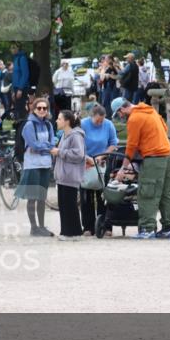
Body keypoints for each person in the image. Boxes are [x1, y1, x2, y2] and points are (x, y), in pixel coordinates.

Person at [113, 97, 170, 239]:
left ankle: (147, 229)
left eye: (119, 114)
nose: (120, 116)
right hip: (167, 154)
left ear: (122, 109)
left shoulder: (134, 118)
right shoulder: (150, 110)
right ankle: (167, 227)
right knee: (167, 192)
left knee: (148, 192)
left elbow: (131, 145)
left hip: (153, 157)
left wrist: (123, 168)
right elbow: (164, 128)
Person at [15, 96, 56, 237]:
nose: (42, 110)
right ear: (34, 109)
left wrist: (45, 147)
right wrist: (47, 148)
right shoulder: (28, 125)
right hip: (32, 165)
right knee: (32, 197)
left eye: (45, 108)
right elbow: (33, 145)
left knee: (42, 197)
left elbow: (52, 143)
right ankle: (34, 227)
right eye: (39, 108)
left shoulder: (49, 125)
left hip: (45, 164)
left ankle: (42, 226)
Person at [79, 105, 118, 235]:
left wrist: (103, 155)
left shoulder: (108, 125)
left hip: (103, 162)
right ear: (92, 116)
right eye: (97, 121)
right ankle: (88, 227)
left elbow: (113, 143)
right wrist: (86, 159)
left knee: (104, 195)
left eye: (102, 120)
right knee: (86, 196)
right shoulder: (83, 124)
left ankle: (105, 226)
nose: (100, 123)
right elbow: (77, 143)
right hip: (86, 162)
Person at [51, 109, 86, 241]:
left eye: (59, 119)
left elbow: (78, 154)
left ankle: (74, 232)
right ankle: (66, 231)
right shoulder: (64, 135)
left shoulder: (76, 135)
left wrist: (59, 152)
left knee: (70, 205)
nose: (57, 120)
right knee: (64, 204)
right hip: (62, 176)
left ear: (67, 121)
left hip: (70, 176)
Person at [11, 43, 30, 119]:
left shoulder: (22, 58)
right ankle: (19, 126)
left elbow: (25, 74)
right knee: (18, 108)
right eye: (11, 48)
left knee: (21, 108)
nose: (11, 49)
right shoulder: (16, 58)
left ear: (18, 48)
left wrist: (20, 88)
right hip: (16, 88)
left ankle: (23, 126)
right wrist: (13, 90)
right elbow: (15, 76)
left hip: (21, 88)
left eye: (13, 47)